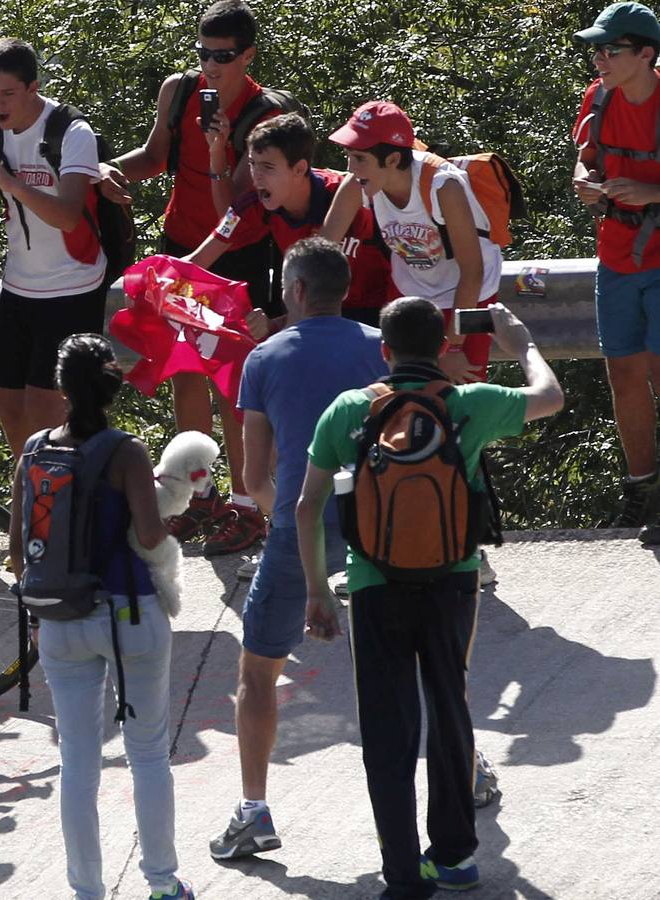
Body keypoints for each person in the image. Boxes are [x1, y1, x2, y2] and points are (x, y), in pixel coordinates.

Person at [297, 298, 564, 898]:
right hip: (451, 578)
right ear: (443, 344)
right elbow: (550, 396)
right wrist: (518, 343)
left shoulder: (348, 411)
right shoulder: (468, 403)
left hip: (372, 584)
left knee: (387, 726)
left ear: (384, 351)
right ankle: (454, 857)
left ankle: (401, 872)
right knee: (450, 708)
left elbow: (306, 504)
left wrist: (317, 588)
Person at [209, 237, 388, 861]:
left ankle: (254, 812)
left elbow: (253, 477)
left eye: (285, 285)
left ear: (300, 291)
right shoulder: (380, 347)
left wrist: (280, 513)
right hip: (379, 522)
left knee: (258, 668)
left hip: (296, 525)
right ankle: (465, 766)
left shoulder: (265, 358)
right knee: (418, 650)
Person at [99, 0, 297, 556]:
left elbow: (232, 203)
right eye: (204, 53)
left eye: (223, 56)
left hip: (235, 262)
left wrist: (218, 145)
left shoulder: (264, 114)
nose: (210, 65)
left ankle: (245, 503)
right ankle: (200, 494)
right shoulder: (178, 90)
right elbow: (155, 156)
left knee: (234, 387)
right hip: (181, 251)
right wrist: (108, 171)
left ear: (248, 55)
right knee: (185, 374)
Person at [9, 333, 194, 900]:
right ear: (113, 386)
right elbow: (147, 533)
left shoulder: (35, 451)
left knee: (77, 763)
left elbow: (17, 550)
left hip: (60, 622)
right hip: (129, 614)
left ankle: (86, 891)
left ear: (62, 388)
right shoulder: (126, 452)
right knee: (147, 753)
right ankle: (162, 884)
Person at [0, 38, 107, 459]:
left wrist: (10, 182)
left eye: (8, 93)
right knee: (10, 404)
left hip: (74, 284)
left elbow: (68, 214)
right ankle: (31, 493)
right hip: (19, 285)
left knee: (47, 403)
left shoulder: (71, 130)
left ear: (33, 88)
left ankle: (63, 493)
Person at [321, 100, 503, 387]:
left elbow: (473, 273)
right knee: (402, 390)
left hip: (474, 296)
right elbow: (321, 251)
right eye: (349, 157)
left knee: (463, 394)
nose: (350, 168)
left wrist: (453, 347)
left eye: (359, 158)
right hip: (411, 291)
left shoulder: (444, 186)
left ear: (392, 160)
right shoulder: (360, 182)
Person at [571, 1, 660, 543]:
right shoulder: (598, 97)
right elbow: (586, 157)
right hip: (617, 255)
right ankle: (644, 492)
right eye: (597, 49)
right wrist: (587, 180)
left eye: (611, 49)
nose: (599, 58)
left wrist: (653, 192)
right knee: (624, 374)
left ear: (647, 55)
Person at [188, 113, 393, 331]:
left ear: (300, 169)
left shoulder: (351, 198)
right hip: (319, 319)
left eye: (267, 167)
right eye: (252, 164)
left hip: (380, 317)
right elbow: (194, 261)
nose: (256, 176)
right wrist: (150, 281)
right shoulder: (251, 206)